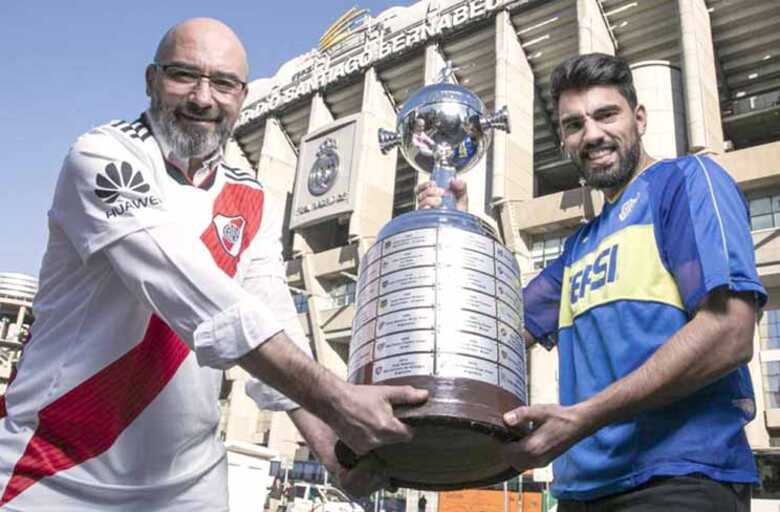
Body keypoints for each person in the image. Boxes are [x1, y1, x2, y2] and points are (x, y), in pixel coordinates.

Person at [0, 18, 426, 511]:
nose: (203, 98)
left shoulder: (250, 195)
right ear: (150, 80)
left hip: (188, 484)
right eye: (184, 75)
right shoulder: (101, 155)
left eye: (223, 83)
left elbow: (271, 316)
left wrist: (331, 446)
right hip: (57, 472)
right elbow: (193, 292)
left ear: (242, 97)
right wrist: (337, 399)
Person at [417, 52, 765, 511]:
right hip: (582, 493)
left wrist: (582, 418)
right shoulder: (578, 248)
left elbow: (730, 332)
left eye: (606, 115)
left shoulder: (685, 182)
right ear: (563, 140)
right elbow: (495, 329)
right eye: (574, 124)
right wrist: (455, 224)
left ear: (639, 118)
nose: (593, 134)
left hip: (679, 481)